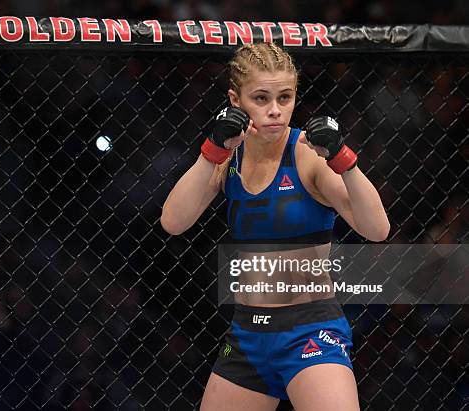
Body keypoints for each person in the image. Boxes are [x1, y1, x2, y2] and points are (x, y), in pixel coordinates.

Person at [160, 42, 389, 411]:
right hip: (249, 333)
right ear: (236, 100)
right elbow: (173, 221)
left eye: (285, 97)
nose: (275, 110)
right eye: (262, 98)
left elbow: (377, 229)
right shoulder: (228, 154)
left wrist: (343, 159)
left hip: (310, 330)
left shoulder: (307, 157)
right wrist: (213, 148)